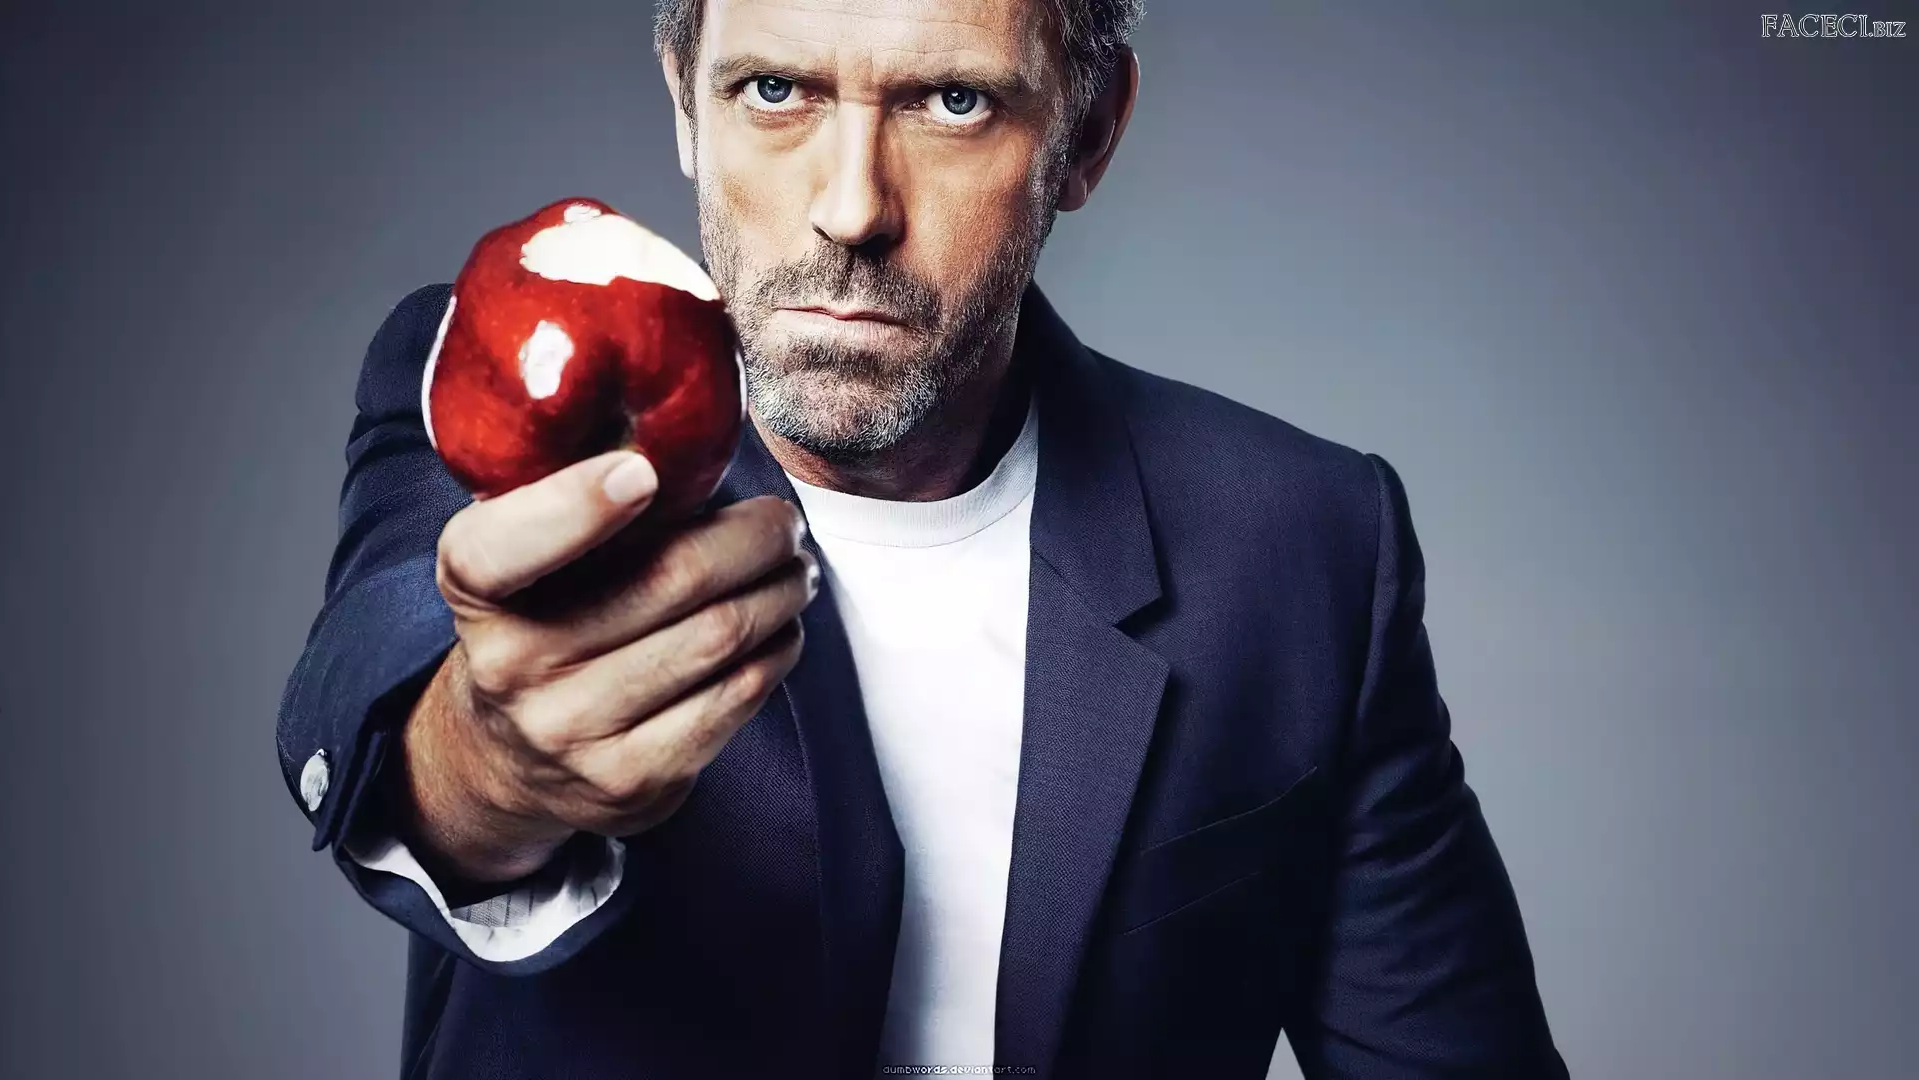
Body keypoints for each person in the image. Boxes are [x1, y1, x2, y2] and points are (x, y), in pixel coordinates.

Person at [275, 1, 1569, 1076]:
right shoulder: (494, 380)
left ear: (1087, 131)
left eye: (952, 102)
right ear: (685, 102)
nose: (850, 207)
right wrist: (493, 765)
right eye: (774, 91)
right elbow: (383, 700)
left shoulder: (1301, 542)